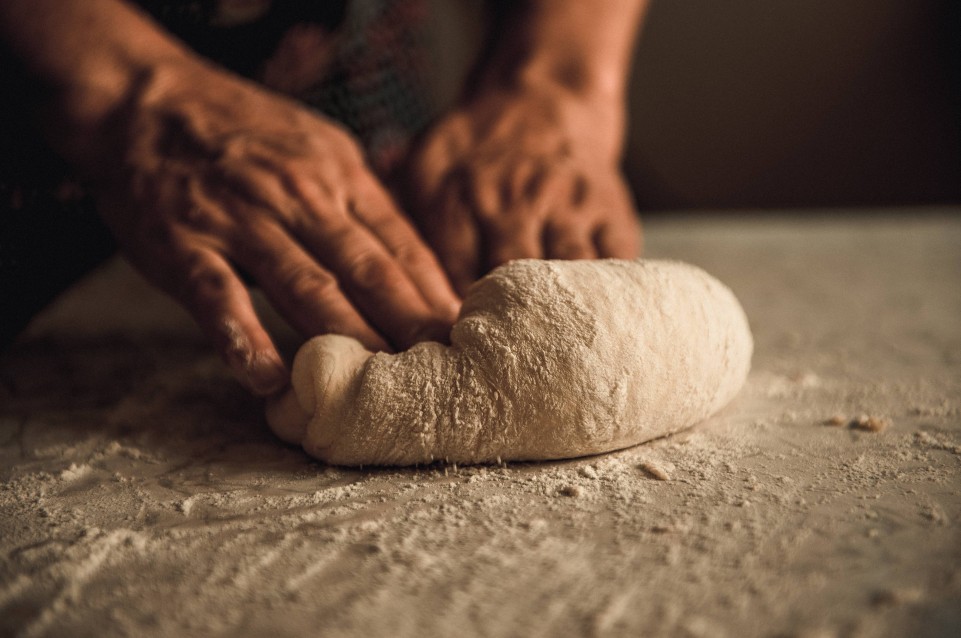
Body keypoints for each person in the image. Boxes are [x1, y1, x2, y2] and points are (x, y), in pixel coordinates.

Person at [0, 0, 645, 397]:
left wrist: (555, 79)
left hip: (345, 78)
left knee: (384, 292)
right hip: (38, 96)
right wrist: (124, 91)